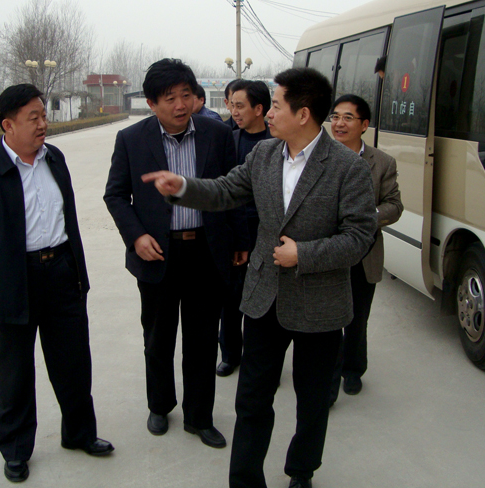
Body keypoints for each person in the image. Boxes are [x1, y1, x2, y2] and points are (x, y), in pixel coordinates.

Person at [142, 68, 377, 488]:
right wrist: (182, 187)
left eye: (277, 105)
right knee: (251, 398)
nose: (268, 113)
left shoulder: (346, 167)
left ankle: (301, 470)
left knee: (312, 402)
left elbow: (359, 237)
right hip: (265, 297)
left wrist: (303, 254)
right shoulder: (265, 154)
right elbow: (225, 191)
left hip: (320, 305)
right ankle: (245, 479)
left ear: (303, 114)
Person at [0, 84, 113, 483]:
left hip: (61, 274)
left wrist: (78, 275)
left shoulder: (54, 158)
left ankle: (79, 434)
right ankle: (15, 450)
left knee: (73, 365)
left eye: (44, 115)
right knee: (14, 375)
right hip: (12, 283)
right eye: (34, 118)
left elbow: (69, 222)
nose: (43, 124)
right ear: (8, 125)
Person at [103, 58, 248, 449]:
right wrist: (136, 237)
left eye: (186, 95)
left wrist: (239, 241)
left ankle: (199, 417)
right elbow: (115, 195)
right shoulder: (132, 139)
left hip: (206, 251)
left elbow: (234, 192)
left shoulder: (218, 135)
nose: (180, 105)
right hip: (157, 254)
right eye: (170, 98)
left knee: (202, 340)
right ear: (152, 103)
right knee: (158, 337)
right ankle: (159, 405)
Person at [328, 94, 403, 403]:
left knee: (357, 318)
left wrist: (366, 217)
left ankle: (353, 369)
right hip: (327, 253)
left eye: (347, 118)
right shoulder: (319, 156)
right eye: (335, 117)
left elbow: (394, 205)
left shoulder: (382, 162)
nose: (339, 123)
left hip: (363, 254)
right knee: (328, 321)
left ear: (364, 125)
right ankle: (328, 382)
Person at [217, 79, 272, 378]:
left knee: (263, 295)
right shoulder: (229, 138)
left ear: (259, 108)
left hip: (266, 228)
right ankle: (230, 353)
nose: (234, 112)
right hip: (235, 227)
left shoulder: (277, 142)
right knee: (231, 293)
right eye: (232, 105)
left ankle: (260, 356)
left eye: (240, 106)